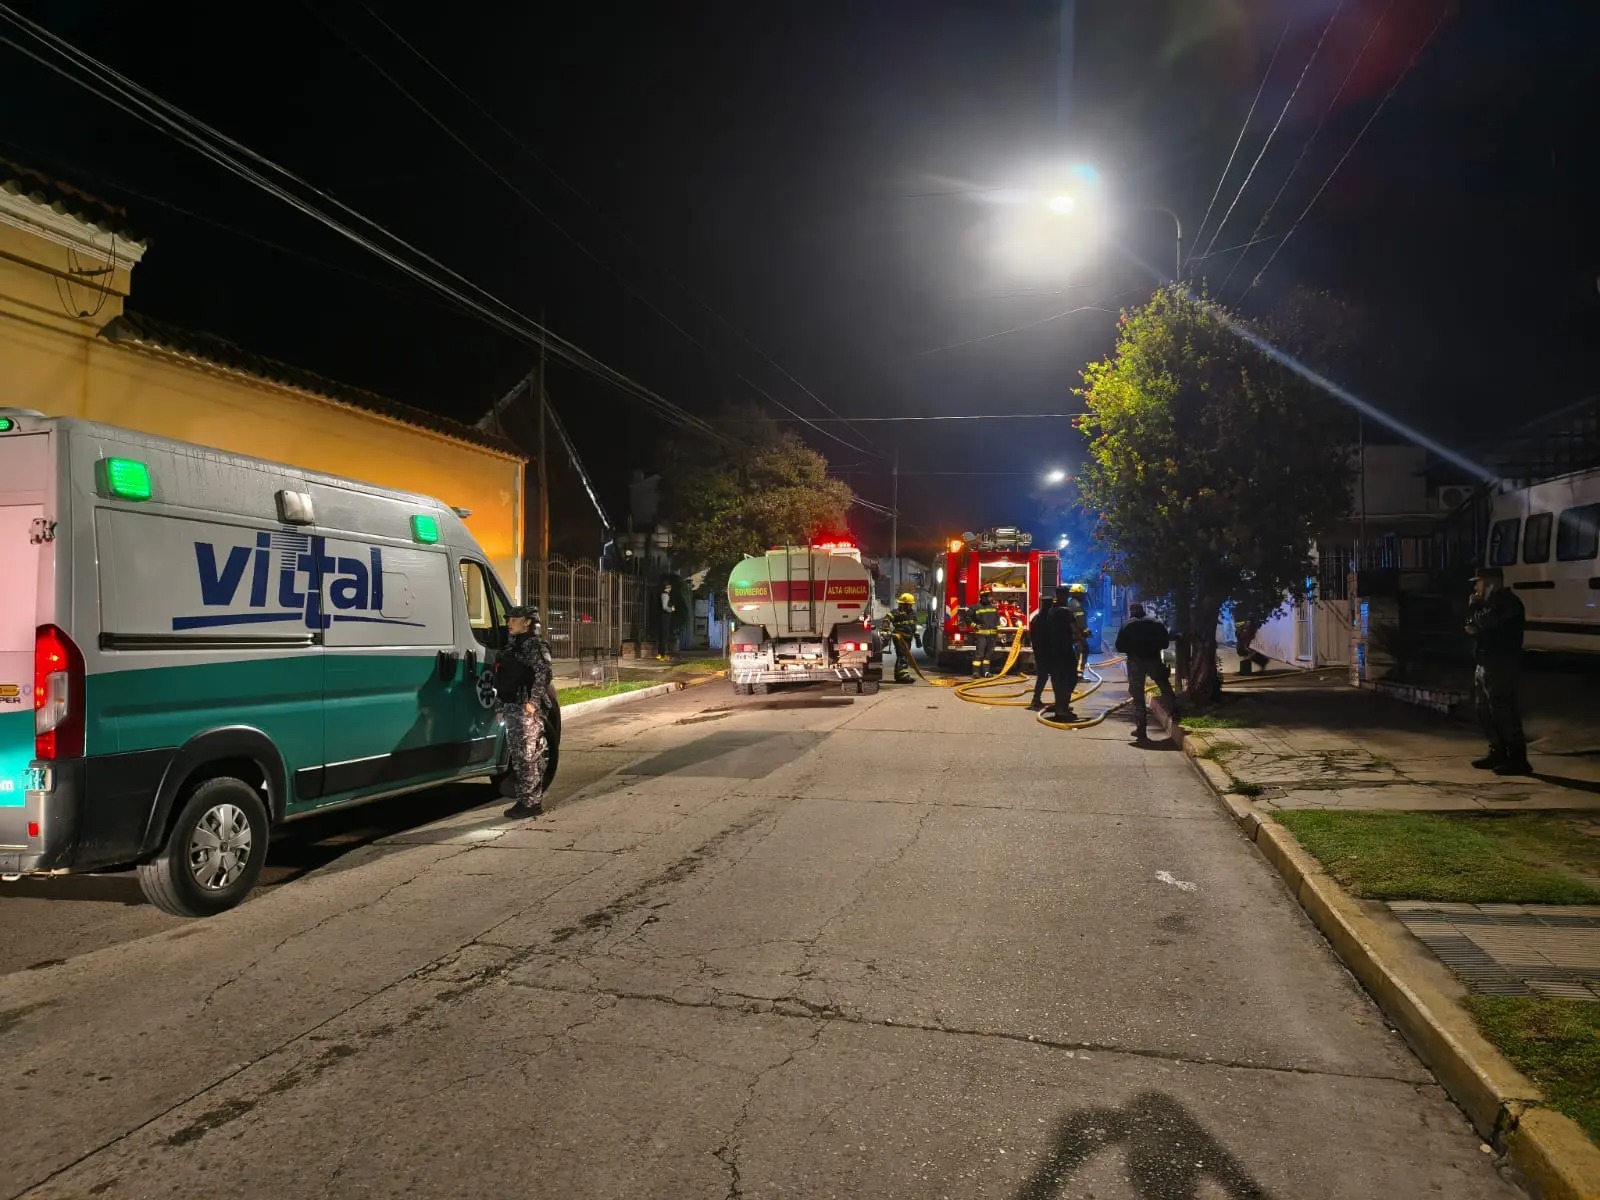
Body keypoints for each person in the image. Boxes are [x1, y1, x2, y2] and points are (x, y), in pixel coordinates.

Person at [1466, 566, 1530, 776]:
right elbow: (1471, 625)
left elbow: (1485, 622)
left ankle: (1517, 757)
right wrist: (1476, 613)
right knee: (1483, 710)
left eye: (1479, 583)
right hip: (1485, 661)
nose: (1476, 588)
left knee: (1502, 709)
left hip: (1501, 662)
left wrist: (1476, 607)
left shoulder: (1507, 603)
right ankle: (1498, 751)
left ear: (1491, 583)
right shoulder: (1489, 604)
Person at [494, 604, 555, 819]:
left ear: (527, 622)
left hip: (525, 708)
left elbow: (544, 673)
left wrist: (534, 702)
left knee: (529, 756)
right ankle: (523, 799)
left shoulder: (534, 646)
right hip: (512, 706)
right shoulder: (512, 647)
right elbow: (503, 677)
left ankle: (532, 803)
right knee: (518, 757)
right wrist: (500, 706)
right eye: (508, 619)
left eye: (514, 619)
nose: (509, 623)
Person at [1116, 603, 1180, 740]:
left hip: (1135, 663)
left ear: (1132, 611)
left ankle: (1141, 729)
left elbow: (1119, 646)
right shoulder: (1156, 623)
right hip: (1154, 661)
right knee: (1165, 687)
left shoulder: (1127, 625)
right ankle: (1175, 714)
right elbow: (1165, 644)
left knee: (1137, 695)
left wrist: (1132, 649)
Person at [1040, 585, 1086, 719]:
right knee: (1070, 678)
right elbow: (1075, 629)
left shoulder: (1051, 611)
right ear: (1065, 596)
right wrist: (1082, 641)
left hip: (1053, 651)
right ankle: (1062, 708)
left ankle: (1060, 706)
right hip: (1065, 650)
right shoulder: (1066, 612)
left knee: (1057, 679)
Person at [881, 592, 921, 682]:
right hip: (899, 637)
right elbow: (886, 619)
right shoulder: (896, 613)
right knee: (903, 655)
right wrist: (885, 630)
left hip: (908, 638)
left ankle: (899, 676)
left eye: (910, 605)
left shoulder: (912, 614)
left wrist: (917, 638)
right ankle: (903, 676)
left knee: (903, 655)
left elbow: (914, 627)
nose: (910, 606)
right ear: (903, 604)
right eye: (909, 605)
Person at [1028, 594, 1055, 710]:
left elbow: (1031, 636)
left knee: (1042, 677)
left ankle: (1036, 700)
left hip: (1039, 652)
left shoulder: (1035, 619)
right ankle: (1060, 704)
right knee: (1056, 677)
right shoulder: (1051, 619)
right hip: (1050, 652)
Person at [969, 588, 1001, 677]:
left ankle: (986, 672)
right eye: (989, 596)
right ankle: (976, 672)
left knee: (988, 655)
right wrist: (974, 625)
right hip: (981, 635)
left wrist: (999, 631)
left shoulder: (993, 608)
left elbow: (997, 621)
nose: (991, 598)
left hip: (992, 636)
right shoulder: (975, 608)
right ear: (983, 597)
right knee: (979, 654)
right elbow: (967, 618)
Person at [1065, 583, 1092, 673]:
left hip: (1071, 633)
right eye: (1082, 594)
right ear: (1077, 594)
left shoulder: (1070, 603)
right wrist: (1086, 631)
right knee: (1082, 651)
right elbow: (1081, 621)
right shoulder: (1077, 605)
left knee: (1075, 653)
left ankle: (1073, 672)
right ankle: (1079, 673)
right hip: (1077, 634)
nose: (1083, 596)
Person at [657, 580, 677, 662]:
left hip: (662, 617)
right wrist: (671, 609)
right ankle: (663, 655)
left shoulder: (661, 594)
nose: (670, 589)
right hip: (665, 618)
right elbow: (664, 607)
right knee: (664, 636)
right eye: (669, 587)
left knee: (662, 636)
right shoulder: (665, 595)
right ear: (667, 587)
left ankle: (660, 654)